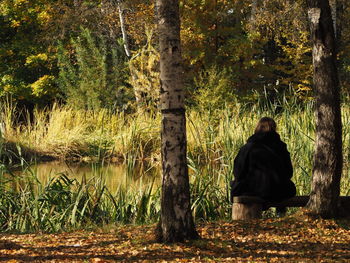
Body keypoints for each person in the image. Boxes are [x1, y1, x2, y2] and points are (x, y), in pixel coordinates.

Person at [230, 117, 296, 213]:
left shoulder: (247, 147)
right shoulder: (281, 146)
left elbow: (238, 173)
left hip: (253, 189)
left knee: (235, 185)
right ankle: (281, 215)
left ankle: (248, 219)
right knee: (285, 186)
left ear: (257, 128)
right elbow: (289, 172)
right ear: (274, 129)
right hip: (279, 190)